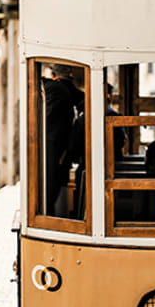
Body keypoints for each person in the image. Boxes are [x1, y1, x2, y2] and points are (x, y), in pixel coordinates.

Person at [42, 64, 84, 215]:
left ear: (53, 75)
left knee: (50, 189)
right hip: (58, 148)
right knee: (52, 188)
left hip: (53, 148)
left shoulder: (55, 89)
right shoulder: (65, 91)